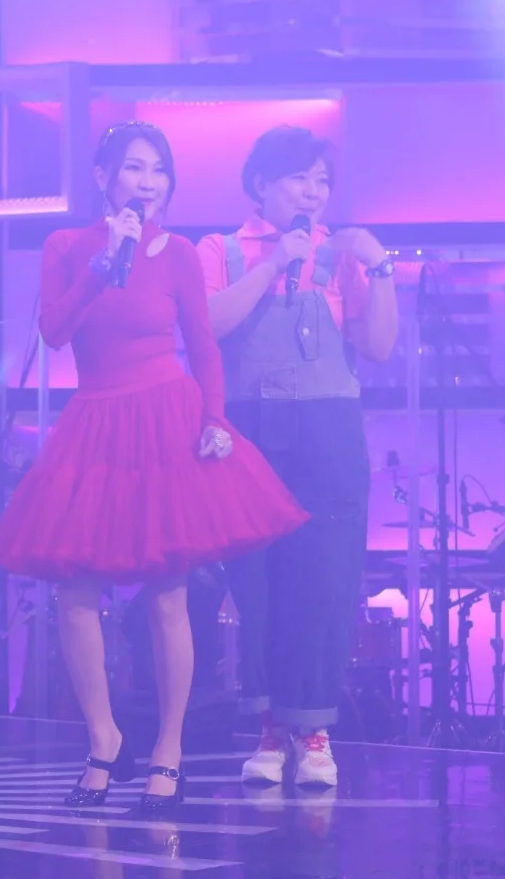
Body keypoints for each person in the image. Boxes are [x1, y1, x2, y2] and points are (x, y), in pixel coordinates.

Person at [0, 122, 306, 815]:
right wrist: (105, 264)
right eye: (134, 167)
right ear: (104, 177)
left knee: (168, 593)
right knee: (74, 591)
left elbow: (203, 345)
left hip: (166, 418)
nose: (148, 181)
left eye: (159, 169)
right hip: (96, 422)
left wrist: (214, 419)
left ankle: (169, 747)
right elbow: (53, 332)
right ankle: (104, 740)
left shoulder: (181, 253)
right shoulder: (66, 247)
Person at [197, 125, 398, 787]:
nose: (313, 193)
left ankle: (314, 732)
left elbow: (378, 347)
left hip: (327, 429)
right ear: (260, 184)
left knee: (324, 580)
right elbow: (206, 328)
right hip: (249, 431)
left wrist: (380, 267)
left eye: (322, 181)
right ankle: (268, 727)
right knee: (256, 582)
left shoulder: (341, 256)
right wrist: (271, 264)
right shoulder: (220, 250)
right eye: (299, 179)